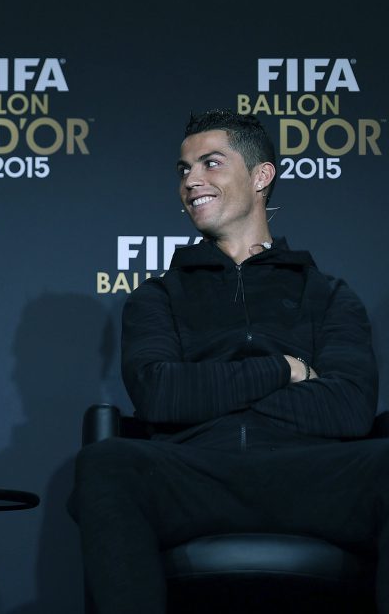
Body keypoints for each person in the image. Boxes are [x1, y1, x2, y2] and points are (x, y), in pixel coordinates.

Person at [69, 109, 382, 613]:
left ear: (261, 176)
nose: (191, 181)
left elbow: (348, 407)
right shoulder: (157, 297)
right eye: (184, 169)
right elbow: (161, 395)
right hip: (197, 478)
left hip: (309, 477)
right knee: (106, 463)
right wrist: (285, 370)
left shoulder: (328, 295)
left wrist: (212, 392)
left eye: (210, 163)